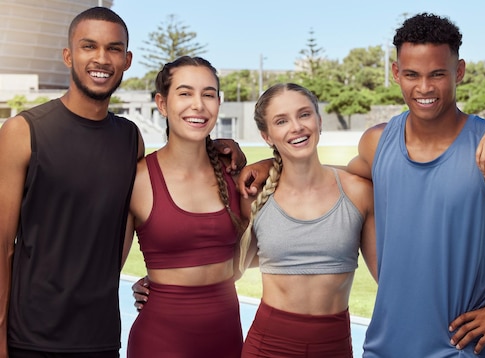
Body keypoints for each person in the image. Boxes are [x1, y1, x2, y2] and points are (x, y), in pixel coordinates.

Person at [237, 13, 485, 357]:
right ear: (396, 73)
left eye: (437, 74)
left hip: (461, 349)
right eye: (412, 74)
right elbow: (333, 174)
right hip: (383, 349)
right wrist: (275, 164)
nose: (424, 88)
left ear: (459, 71)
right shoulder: (376, 143)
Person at [0, 7, 244, 357]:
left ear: (127, 60)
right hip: (31, 337)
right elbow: (2, 245)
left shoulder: (129, 140)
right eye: (88, 46)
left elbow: (136, 226)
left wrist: (162, 280)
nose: (102, 58)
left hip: (100, 336)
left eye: (114, 48)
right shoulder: (22, 132)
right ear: (68, 55)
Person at [237, 83, 376, 357]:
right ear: (267, 136)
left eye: (304, 115)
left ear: (319, 121)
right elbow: (228, 268)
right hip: (267, 347)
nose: (296, 127)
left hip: (334, 347)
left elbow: (390, 277)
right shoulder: (255, 195)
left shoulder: (359, 192)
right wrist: (159, 282)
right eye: (281, 121)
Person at [125, 56, 246, 358]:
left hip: (228, 341)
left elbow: (255, 253)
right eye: (184, 93)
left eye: (208, 94)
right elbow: (102, 267)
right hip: (160, 344)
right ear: (162, 104)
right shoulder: (137, 179)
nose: (198, 105)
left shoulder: (234, 174)